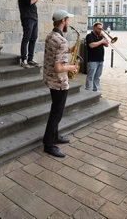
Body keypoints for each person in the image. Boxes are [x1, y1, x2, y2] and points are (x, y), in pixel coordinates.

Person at [42, 10, 78, 158]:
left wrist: (68, 51)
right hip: (59, 82)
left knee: (55, 111)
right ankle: (49, 144)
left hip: (49, 79)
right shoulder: (62, 40)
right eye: (68, 20)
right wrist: (71, 67)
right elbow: (58, 67)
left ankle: (55, 136)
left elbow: (54, 54)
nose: (68, 22)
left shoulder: (51, 36)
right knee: (56, 114)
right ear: (63, 21)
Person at [17, 0, 46, 68]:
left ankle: (30, 59)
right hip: (27, 17)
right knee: (26, 38)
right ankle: (24, 59)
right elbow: (30, 1)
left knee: (33, 38)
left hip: (34, 17)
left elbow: (33, 1)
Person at [85, 22, 109, 91]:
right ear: (94, 28)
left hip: (101, 60)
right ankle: (88, 90)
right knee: (90, 76)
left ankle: (96, 90)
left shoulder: (101, 36)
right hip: (92, 60)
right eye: (99, 29)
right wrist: (101, 41)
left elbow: (107, 45)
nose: (100, 30)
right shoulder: (89, 36)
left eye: (101, 29)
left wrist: (104, 37)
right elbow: (91, 45)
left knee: (97, 77)